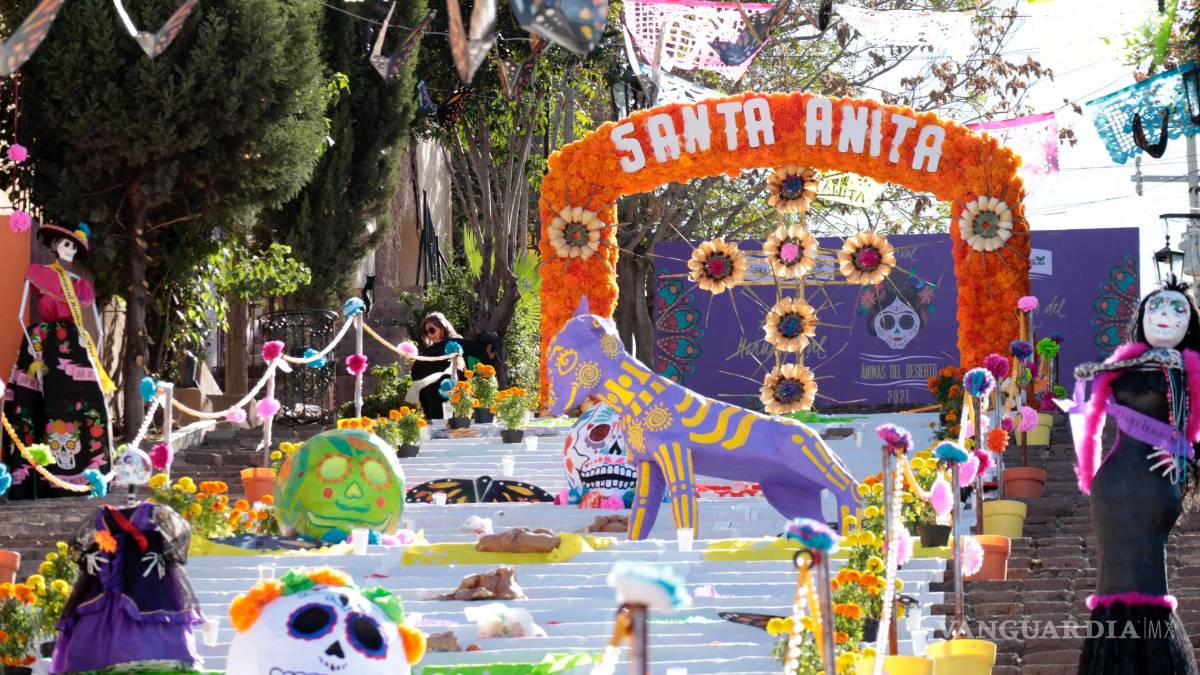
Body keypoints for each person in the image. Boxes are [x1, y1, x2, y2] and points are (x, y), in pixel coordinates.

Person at [1072, 278, 1200, 674]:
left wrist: (1188, 459)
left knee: (1146, 578)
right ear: (1143, 315)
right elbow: (1089, 417)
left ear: (1191, 322)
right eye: (1155, 308)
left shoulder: (1190, 370)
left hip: (1154, 489)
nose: (1163, 316)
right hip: (1113, 488)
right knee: (1112, 581)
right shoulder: (1123, 364)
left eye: (1176, 309)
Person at [3, 222, 113, 499]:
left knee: (92, 408)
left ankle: (90, 476)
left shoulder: (80, 284)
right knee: (31, 408)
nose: (70, 250)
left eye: (74, 247)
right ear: (53, 247)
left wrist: (94, 349)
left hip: (76, 344)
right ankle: (31, 480)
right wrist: (34, 348)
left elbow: (98, 327)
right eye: (66, 245)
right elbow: (19, 314)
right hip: (42, 344)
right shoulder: (40, 274)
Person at [409, 312, 463, 420]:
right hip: (432, 397)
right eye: (426, 332)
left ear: (442, 327)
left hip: (453, 393)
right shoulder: (429, 351)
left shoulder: (457, 344)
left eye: (432, 330)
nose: (429, 335)